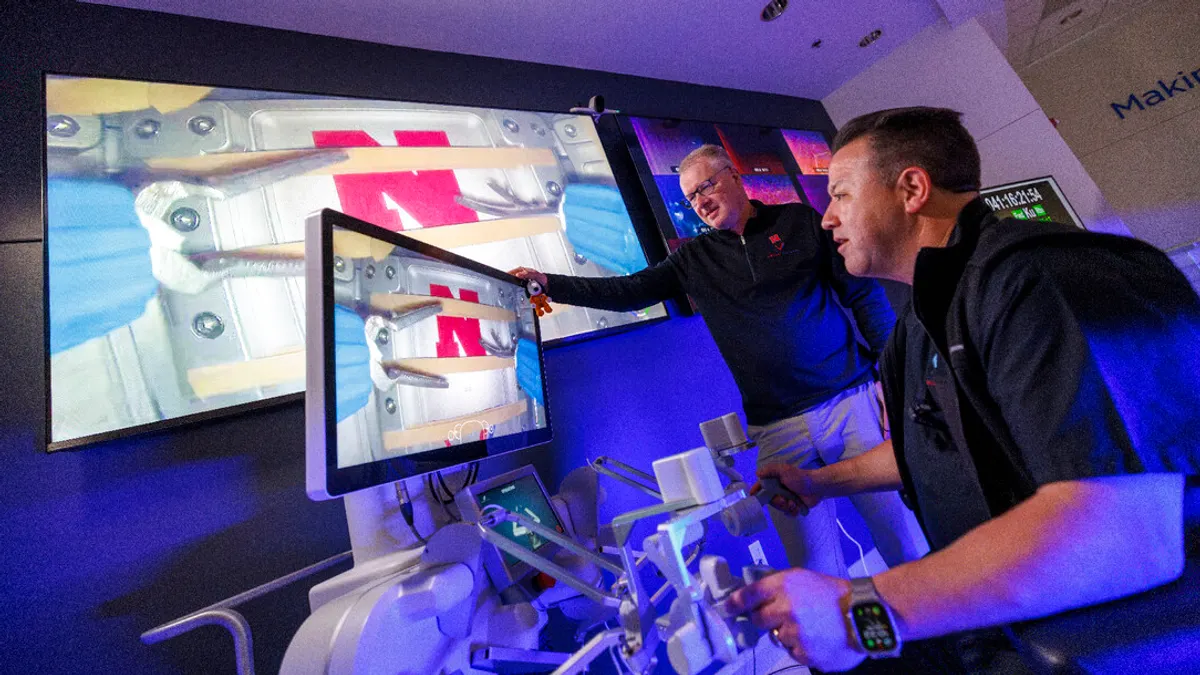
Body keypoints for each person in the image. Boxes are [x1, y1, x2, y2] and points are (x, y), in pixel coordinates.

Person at [728, 106, 1200, 673]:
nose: (826, 218)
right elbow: (938, 448)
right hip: (997, 626)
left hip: (1109, 635)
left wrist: (861, 610)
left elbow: (1125, 531)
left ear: (911, 188)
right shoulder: (917, 325)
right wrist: (819, 482)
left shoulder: (1039, 278)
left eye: (842, 195)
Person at [511, 144, 929, 576]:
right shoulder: (695, 259)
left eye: (706, 186)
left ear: (734, 175)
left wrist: (891, 381)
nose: (700, 202)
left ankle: (948, 638)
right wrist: (549, 283)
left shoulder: (799, 222)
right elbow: (627, 291)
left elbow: (864, 297)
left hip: (850, 403)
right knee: (813, 566)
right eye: (691, 196)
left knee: (901, 536)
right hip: (778, 429)